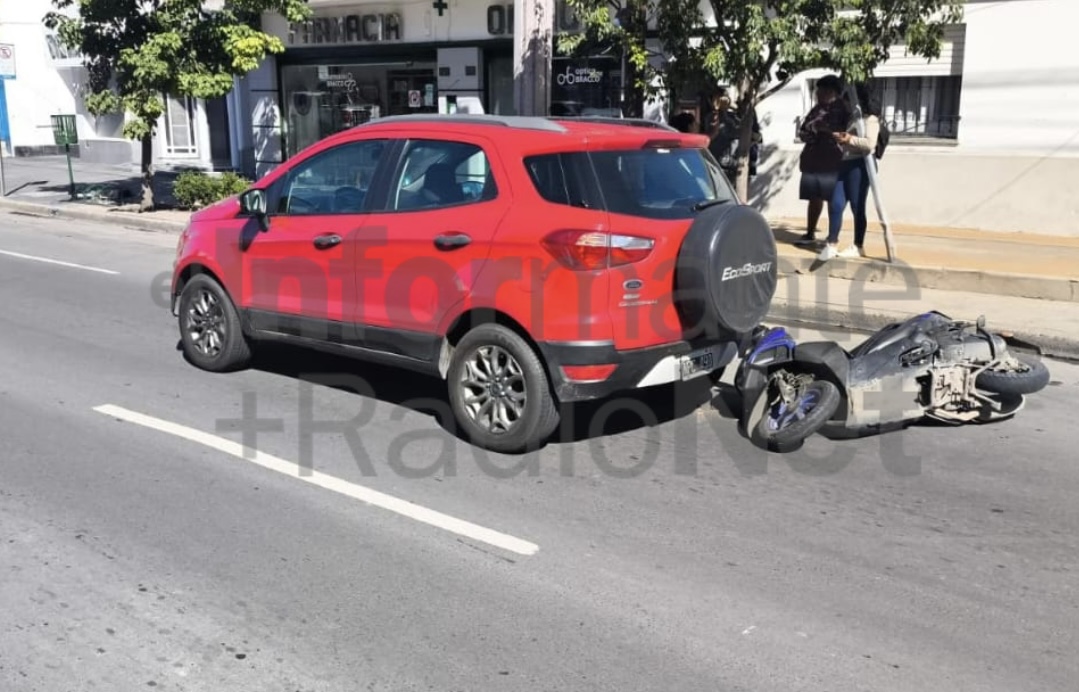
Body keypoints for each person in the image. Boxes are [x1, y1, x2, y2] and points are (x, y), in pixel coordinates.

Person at [818, 82, 881, 261]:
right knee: (836, 203)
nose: (845, 105)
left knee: (857, 206)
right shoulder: (852, 119)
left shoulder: (870, 119)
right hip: (845, 163)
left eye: (847, 101)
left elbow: (870, 144)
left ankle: (858, 245)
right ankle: (832, 244)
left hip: (860, 165)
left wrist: (850, 139)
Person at [794, 75, 850, 246]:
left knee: (833, 200)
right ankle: (810, 233)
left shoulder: (843, 109)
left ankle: (832, 238)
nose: (817, 93)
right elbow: (804, 130)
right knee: (814, 197)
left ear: (830, 91)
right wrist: (810, 133)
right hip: (813, 160)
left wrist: (823, 130)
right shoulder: (817, 109)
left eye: (820, 90)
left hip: (832, 161)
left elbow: (844, 134)